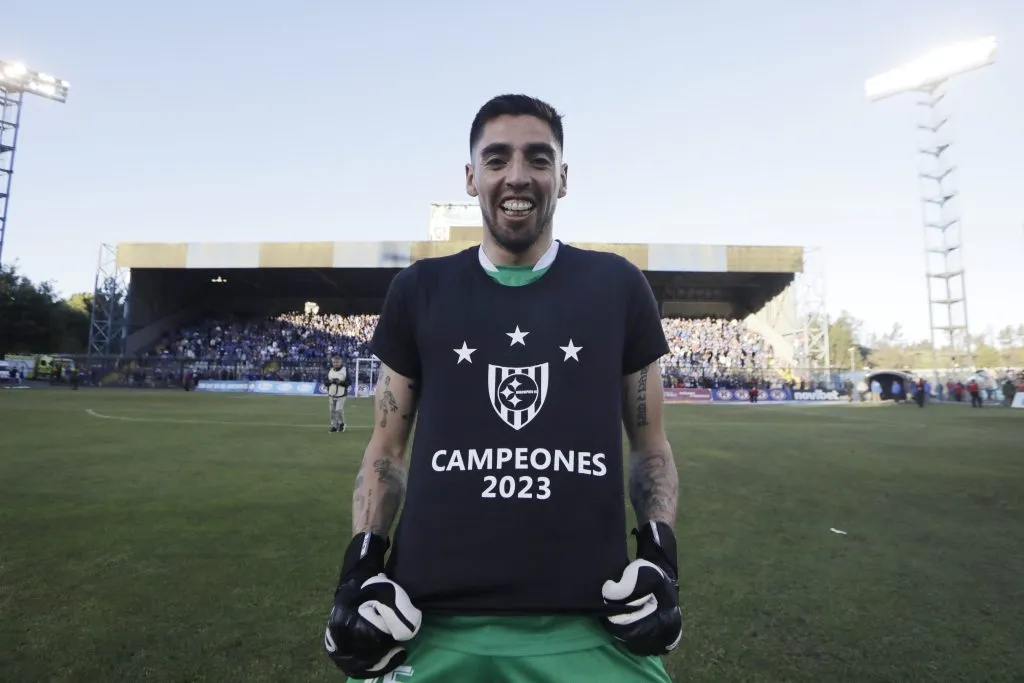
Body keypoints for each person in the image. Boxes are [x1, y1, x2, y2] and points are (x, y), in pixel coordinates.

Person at [323, 94, 681, 682]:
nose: (517, 175)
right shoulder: (418, 289)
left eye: (538, 159)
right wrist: (358, 570)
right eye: (497, 159)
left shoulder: (618, 286)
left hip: (592, 624)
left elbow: (651, 447)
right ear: (471, 178)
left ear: (562, 178)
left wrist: (661, 560)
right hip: (426, 625)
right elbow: (385, 449)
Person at [325, 356, 350, 432]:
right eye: (334, 362)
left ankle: (341, 423)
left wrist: (340, 382)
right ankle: (334, 426)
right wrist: (330, 382)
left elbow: (349, 382)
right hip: (331, 393)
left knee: (338, 410)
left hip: (341, 394)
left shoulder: (345, 370)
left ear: (340, 362)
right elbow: (325, 382)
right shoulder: (330, 370)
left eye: (337, 362)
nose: (335, 364)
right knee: (332, 411)